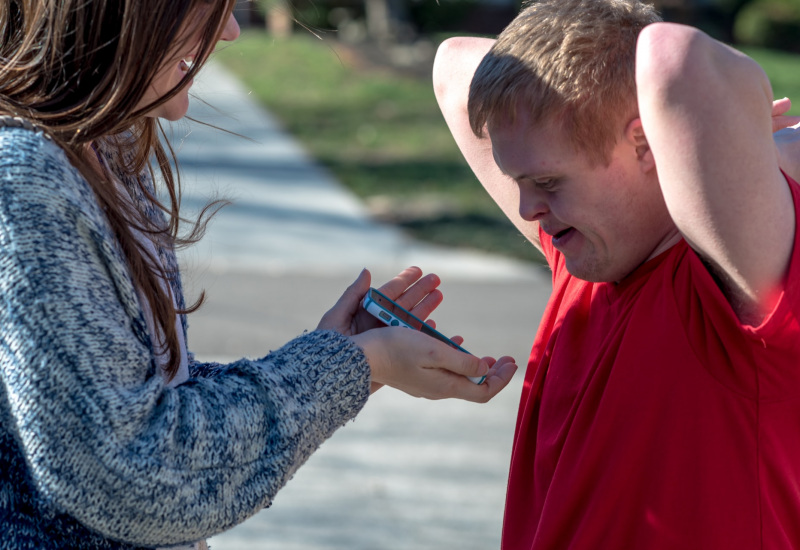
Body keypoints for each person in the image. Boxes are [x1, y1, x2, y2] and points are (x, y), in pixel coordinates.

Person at [0, 1, 518, 549]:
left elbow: (146, 403)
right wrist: (361, 363)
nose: (230, 30)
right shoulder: (28, 184)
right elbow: (130, 474)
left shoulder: (97, 151)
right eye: (209, 6)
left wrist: (336, 353)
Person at [433, 0, 800, 547]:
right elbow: (452, 62)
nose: (528, 208)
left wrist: (746, 146)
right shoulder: (583, 258)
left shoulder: (729, 281)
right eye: (520, 181)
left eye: (550, 183)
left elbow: (674, 57)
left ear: (645, 143)